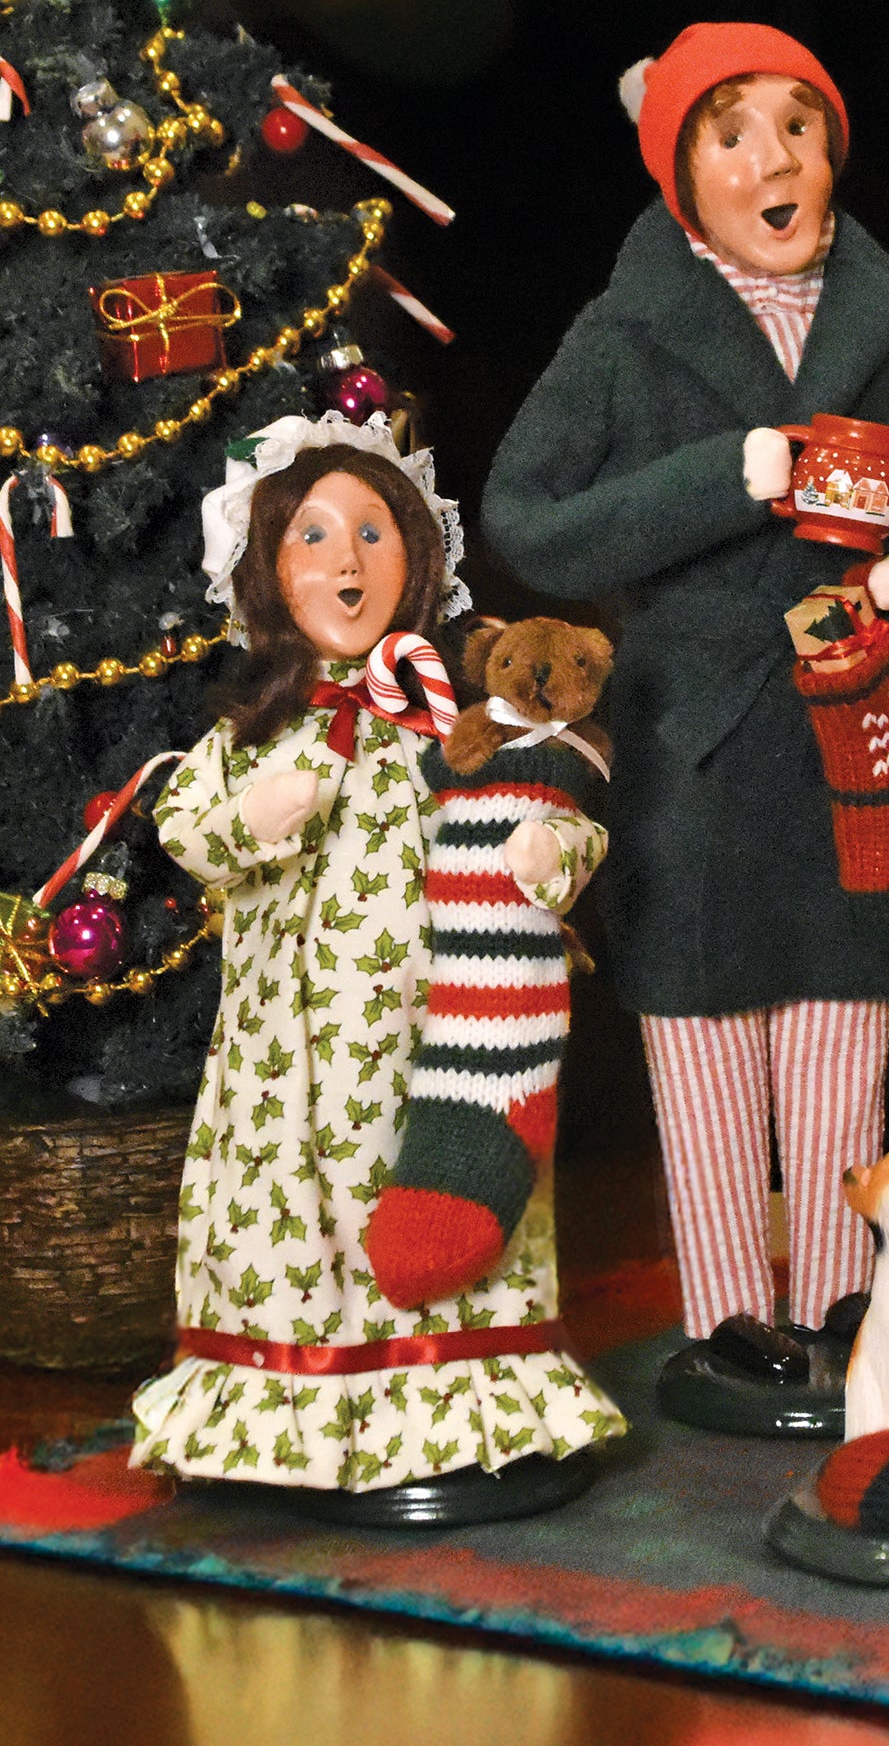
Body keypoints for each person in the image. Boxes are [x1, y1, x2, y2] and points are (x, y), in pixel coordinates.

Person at [484, 24, 889, 1351]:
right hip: (694, 747)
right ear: (680, 175)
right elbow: (526, 519)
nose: (774, 158)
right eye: (731, 132)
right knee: (701, 1023)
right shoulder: (623, 342)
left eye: (799, 125)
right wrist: (716, 478)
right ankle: (730, 1317)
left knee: (844, 1019)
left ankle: (846, 1302)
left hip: (860, 741)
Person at [132, 415, 623, 1494]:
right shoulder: (253, 736)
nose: (345, 561)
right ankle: (295, 1415)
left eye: (370, 531)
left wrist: (553, 850)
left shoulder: (455, 724)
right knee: (295, 1216)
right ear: (264, 570)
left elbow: (558, 807)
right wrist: (253, 815)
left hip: (443, 1037)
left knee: (451, 1198)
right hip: (289, 1063)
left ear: (416, 555)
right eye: (311, 536)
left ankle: (459, 1403)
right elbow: (186, 829)